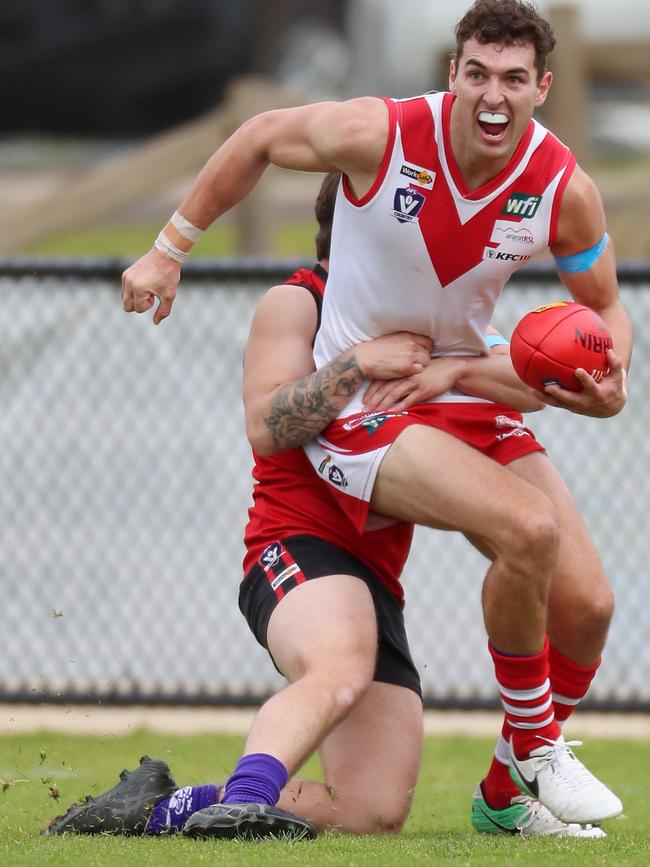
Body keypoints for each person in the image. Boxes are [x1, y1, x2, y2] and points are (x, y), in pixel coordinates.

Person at [121, 0, 632, 830]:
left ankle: (505, 799)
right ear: (453, 76)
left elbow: (605, 310)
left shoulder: (560, 185)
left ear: (541, 87)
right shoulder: (381, 135)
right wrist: (169, 247)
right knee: (526, 529)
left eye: (512, 79)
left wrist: (614, 376)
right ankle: (539, 749)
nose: (492, 96)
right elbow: (256, 137)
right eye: (476, 74)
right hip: (366, 402)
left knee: (589, 603)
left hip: (457, 387)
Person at [48, 172, 601, 841]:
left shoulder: (424, 322)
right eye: (403, 234)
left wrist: (563, 365)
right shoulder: (297, 303)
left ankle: (160, 805)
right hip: (295, 549)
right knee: (341, 658)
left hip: (376, 581)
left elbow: (521, 377)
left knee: (370, 808)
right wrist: (359, 362)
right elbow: (265, 424)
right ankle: (243, 805)